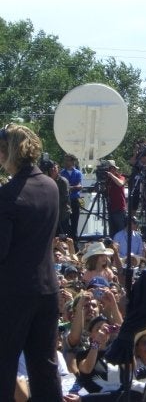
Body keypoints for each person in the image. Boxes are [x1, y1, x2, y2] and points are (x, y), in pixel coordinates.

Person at [0, 124, 63, 400]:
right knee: (45, 366)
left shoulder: (7, 195)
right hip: (48, 289)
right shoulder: (51, 186)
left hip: (14, 294)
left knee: (3, 365)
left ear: (7, 152)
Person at [41, 158, 72, 235]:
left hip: (62, 214)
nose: (53, 170)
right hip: (52, 214)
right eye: (51, 168)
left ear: (58, 169)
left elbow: (64, 197)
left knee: (62, 235)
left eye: (55, 168)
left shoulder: (63, 181)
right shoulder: (47, 180)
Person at [61, 153, 84, 241]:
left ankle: (74, 243)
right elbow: (63, 188)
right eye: (65, 160)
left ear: (72, 161)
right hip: (65, 202)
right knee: (65, 223)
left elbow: (80, 186)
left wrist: (69, 187)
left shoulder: (78, 173)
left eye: (68, 160)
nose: (66, 162)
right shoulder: (62, 173)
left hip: (74, 200)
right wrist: (73, 187)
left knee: (75, 223)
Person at [104, 159, 127, 238]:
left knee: (121, 232)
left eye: (111, 169)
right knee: (112, 233)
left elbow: (120, 183)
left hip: (119, 209)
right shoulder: (107, 180)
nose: (110, 171)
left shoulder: (120, 177)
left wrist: (111, 175)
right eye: (108, 169)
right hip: (111, 209)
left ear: (114, 169)